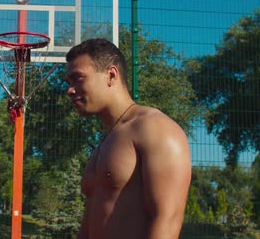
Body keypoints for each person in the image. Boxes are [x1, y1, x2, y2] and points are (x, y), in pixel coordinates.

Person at [65, 38, 191, 239]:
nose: (70, 90)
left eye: (78, 78)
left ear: (111, 75)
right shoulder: (106, 141)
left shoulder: (155, 128)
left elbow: (167, 220)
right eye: (68, 82)